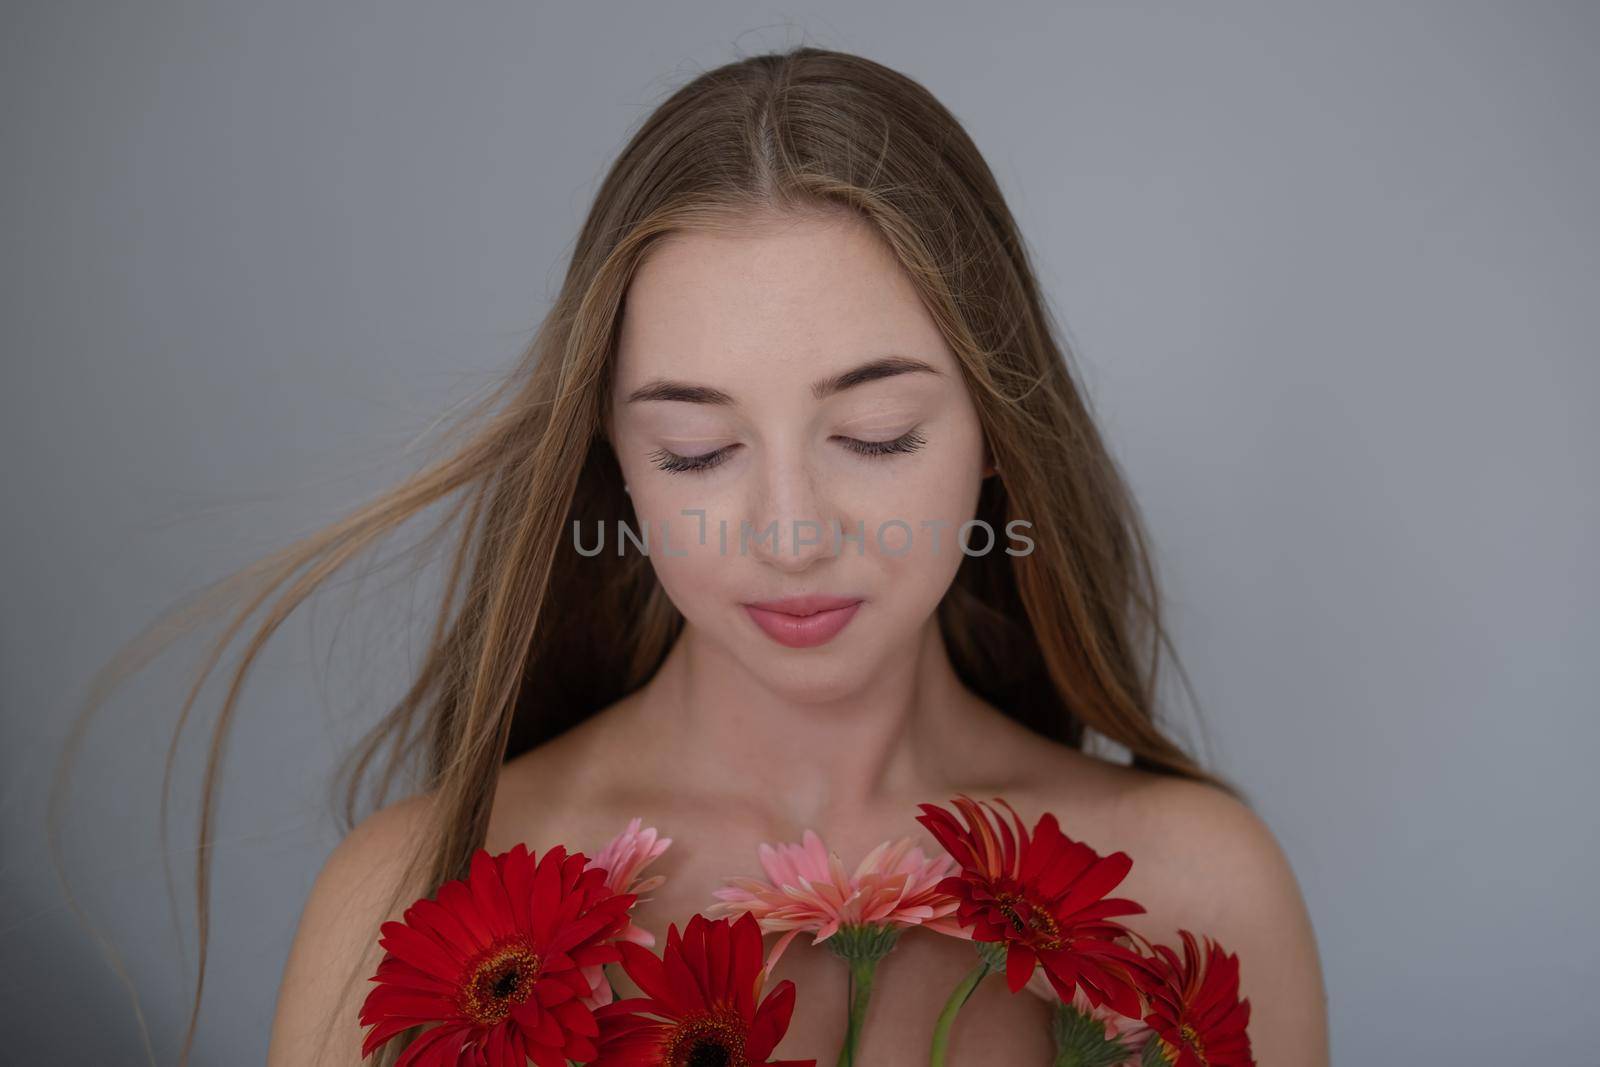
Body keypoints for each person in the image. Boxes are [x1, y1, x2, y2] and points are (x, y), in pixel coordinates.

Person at [114, 46, 1325, 1064]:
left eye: (874, 434)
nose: (792, 533)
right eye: (696, 450)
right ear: (614, 465)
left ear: (999, 430)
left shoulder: (1200, 892)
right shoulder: (413, 895)